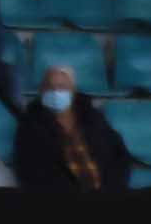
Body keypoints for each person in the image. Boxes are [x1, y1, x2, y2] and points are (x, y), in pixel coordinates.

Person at [11, 64, 133, 193]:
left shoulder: (92, 116)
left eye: (62, 87)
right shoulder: (30, 124)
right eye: (50, 87)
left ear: (73, 91)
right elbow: (28, 172)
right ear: (41, 91)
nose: (55, 91)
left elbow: (120, 156)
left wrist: (112, 189)